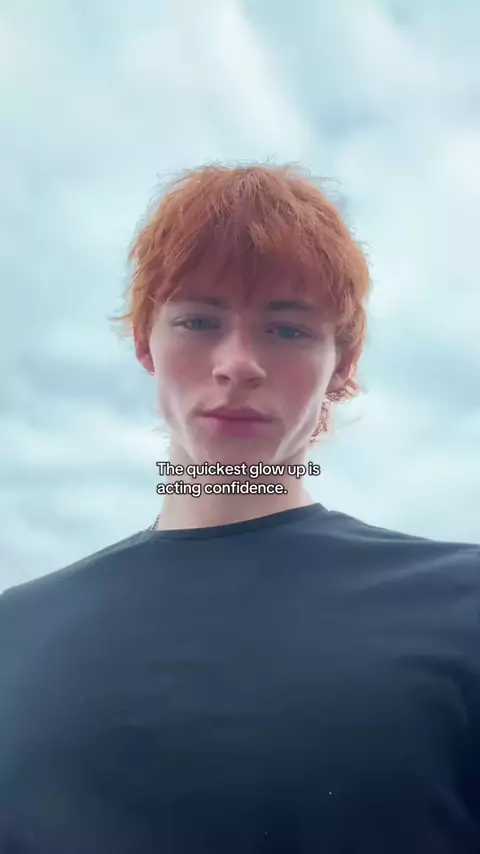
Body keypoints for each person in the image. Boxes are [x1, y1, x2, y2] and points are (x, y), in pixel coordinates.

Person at [1, 163, 479, 854]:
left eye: (286, 330)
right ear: (146, 346)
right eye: (199, 321)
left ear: (341, 368)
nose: (237, 363)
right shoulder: (14, 634)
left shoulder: (462, 605)